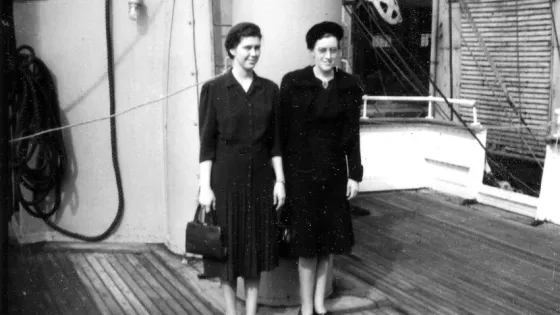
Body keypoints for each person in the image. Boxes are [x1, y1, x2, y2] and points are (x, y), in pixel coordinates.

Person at [198, 22, 285, 315]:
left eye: (257, 47)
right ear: (232, 49)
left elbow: (275, 143)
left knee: (254, 251)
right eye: (248, 47)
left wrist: (280, 181)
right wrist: (204, 186)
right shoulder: (214, 89)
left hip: (261, 181)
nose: (254, 53)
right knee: (228, 251)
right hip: (225, 183)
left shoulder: (270, 90)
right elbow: (207, 144)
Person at [279, 21, 363, 315]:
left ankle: (319, 303)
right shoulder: (293, 82)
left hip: (333, 175)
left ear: (340, 51)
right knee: (306, 244)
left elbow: (353, 134)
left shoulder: (349, 86)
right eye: (322, 50)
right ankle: (305, 305)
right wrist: (281, 178)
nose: (328, 56)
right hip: (301, 175)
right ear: (312, 52)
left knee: (328, 242)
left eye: (334, 50)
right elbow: (283, 132)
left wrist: (355, 173)